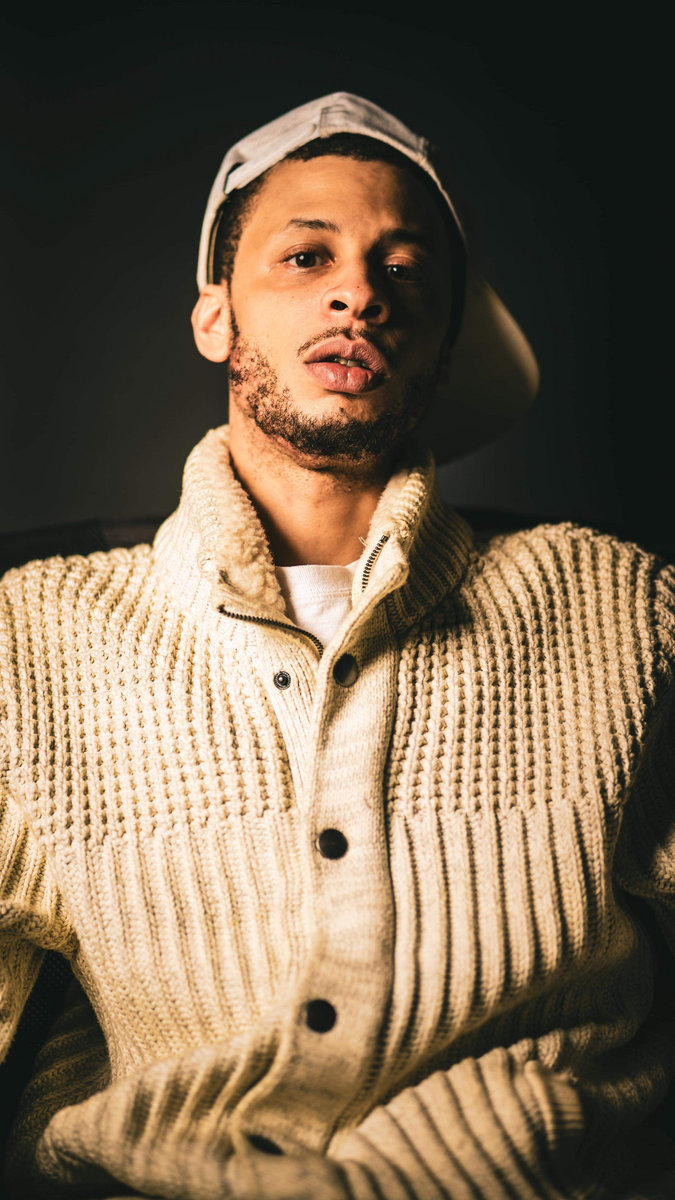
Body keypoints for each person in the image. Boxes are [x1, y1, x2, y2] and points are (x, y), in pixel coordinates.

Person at [1, 92, 674, 1200]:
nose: (360, 293)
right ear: (215, 318)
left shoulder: (619, 609)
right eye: (306, 256)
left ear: (442, 344)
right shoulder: (34, 639)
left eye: (403, 270)